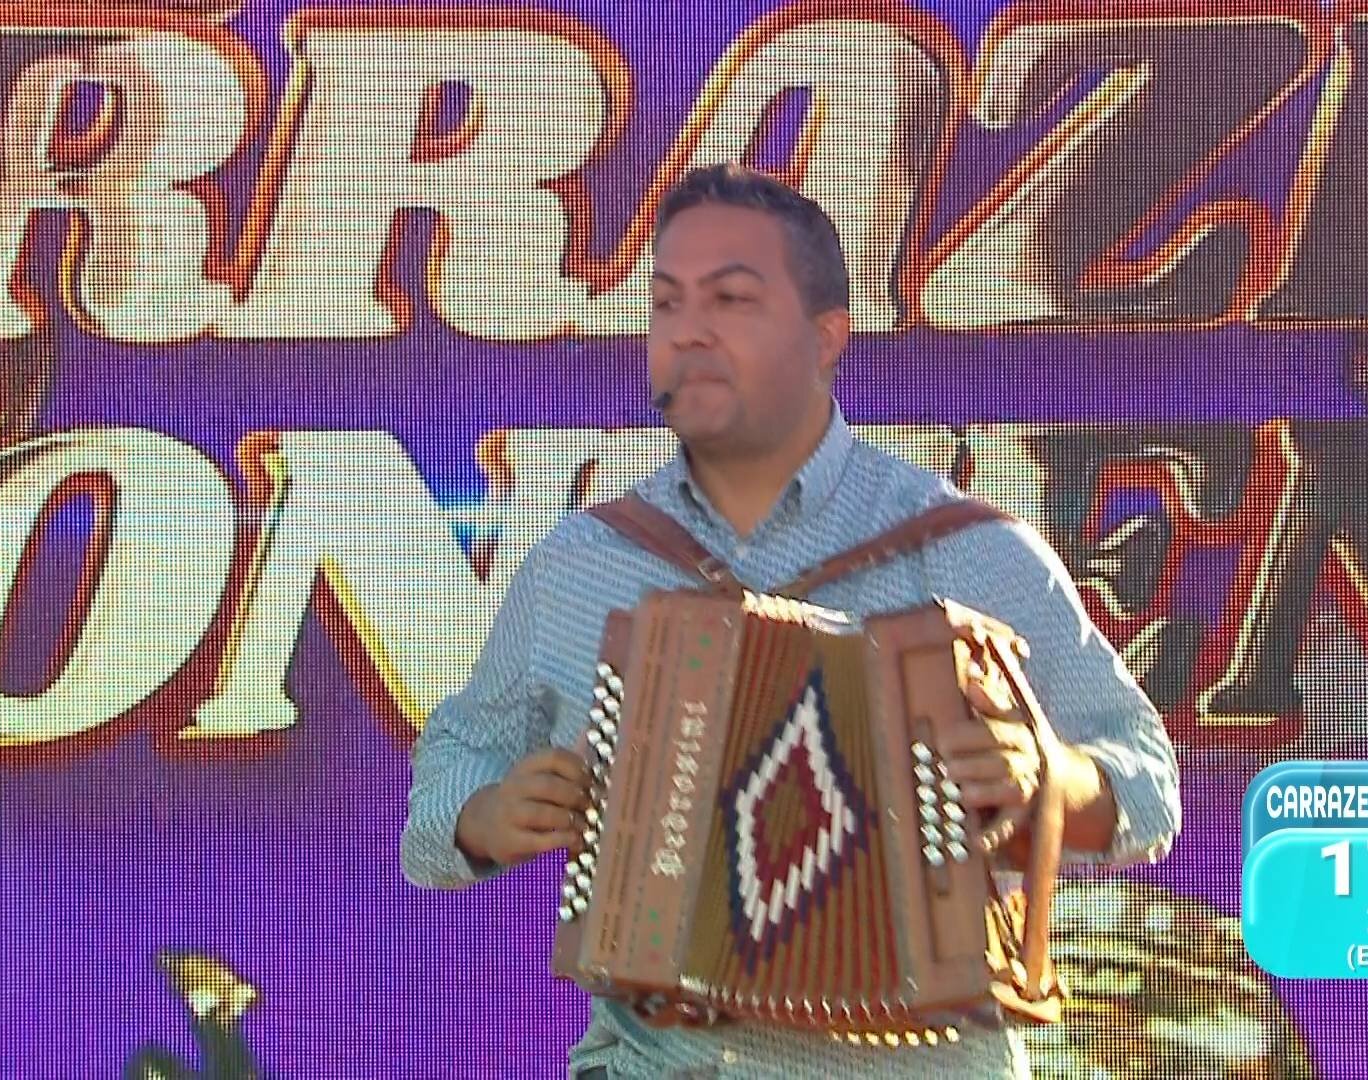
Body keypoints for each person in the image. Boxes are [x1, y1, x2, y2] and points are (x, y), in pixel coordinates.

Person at [400, 162, 1181, 1078]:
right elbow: (453, 763)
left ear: (826, 336)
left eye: (731, 300)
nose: (688, 330)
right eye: (667, 302)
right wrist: (483, 816)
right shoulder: (585, 562)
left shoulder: (967, 549)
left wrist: (1052, 779)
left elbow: (1149, 784)